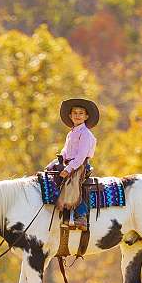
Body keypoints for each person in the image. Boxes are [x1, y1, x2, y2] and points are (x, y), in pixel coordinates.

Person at [45, 98, 99, 230]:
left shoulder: (85, 134)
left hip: (79, 165)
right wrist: (56, 161)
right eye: (75, 113)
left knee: (73, 185)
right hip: (69, 163)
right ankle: (59, 209)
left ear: (86, 116)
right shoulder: (71, 133)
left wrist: (69, 169)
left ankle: (81, 216)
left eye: (81, 113)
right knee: (50, 175)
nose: (78, 116)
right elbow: (65, 150)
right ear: (70, 116)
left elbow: (81, 156)